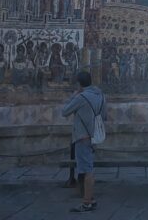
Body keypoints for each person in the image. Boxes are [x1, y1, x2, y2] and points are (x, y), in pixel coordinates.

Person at [62, 71, 105, 213]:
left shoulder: (81, 97)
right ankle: (90, 199)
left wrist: (74, 95)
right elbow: (103, 115)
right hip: (94, 137)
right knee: (88, 167)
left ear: (79, 84)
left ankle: (87, 202)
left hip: (82, 137)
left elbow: (65, 111)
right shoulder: (100, 95)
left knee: (87, 170)